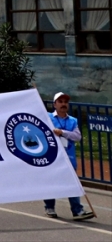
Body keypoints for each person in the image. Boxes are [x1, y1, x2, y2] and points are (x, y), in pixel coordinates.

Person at [44, 92, 95, 220]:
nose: (63, 104)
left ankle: (77, 210)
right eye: (60, 102)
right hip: (52, 155)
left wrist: (63, 132)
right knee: (51, 181)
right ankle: (49, 207)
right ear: (55, 104)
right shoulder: (48, 117)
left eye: (65, 102)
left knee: (72, 182)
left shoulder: (73, 120)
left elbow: (77, 136)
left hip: (68, 156)